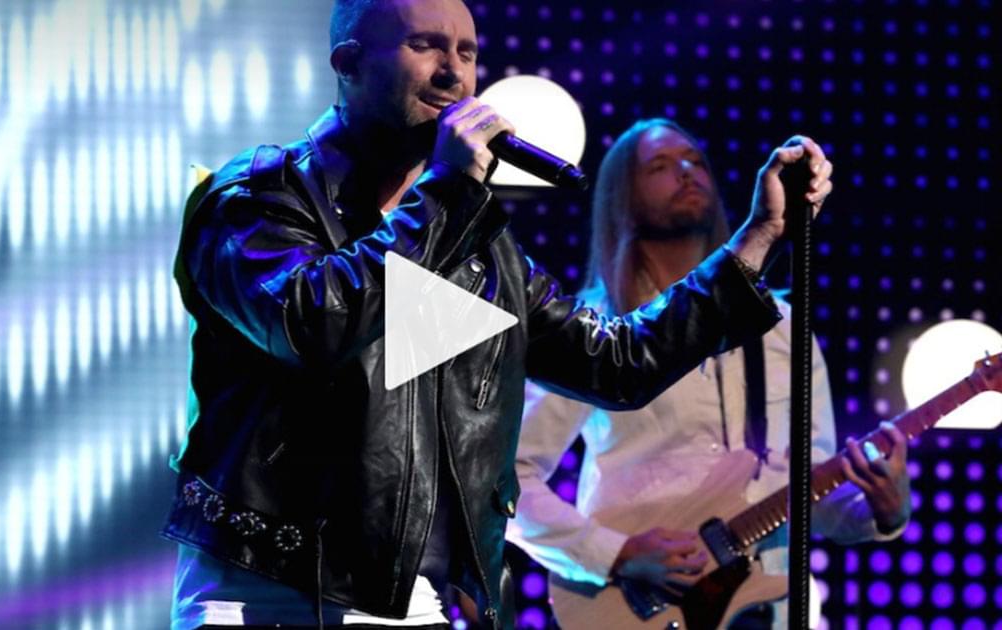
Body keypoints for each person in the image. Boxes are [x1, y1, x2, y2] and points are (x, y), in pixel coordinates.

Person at [160, 0, 833, 626]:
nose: (453, 72)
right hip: (264, 591)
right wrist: (448, 192)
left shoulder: (476, 250)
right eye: (425, 46)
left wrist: (759, 237)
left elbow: (617, 363)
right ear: (349, 63)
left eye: (467, 53)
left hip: (412, 602)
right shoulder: (261, 196)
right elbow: (312, 324)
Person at [506, 119, 911, 629]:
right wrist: (614, 554)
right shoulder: (594, 330)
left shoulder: (783, 327)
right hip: (639, 607)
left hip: (769, 604)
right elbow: (508, 475)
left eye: (695, 160)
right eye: (659, 165)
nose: (685, 171)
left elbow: (810, 493)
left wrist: (883, 511)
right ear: (621, 198)